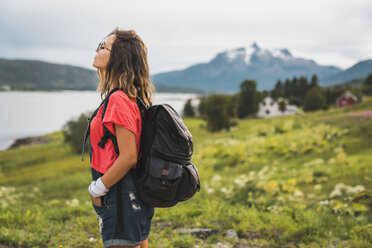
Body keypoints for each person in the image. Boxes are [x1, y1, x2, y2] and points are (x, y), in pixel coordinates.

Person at [87, 28, 155, 248]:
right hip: (129, 191)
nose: (97, 49)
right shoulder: (128, 96)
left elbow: (128, 157)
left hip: (120, 192)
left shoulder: (119, 99)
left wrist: (98, 187)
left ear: (119, 57)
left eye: (103, 46)